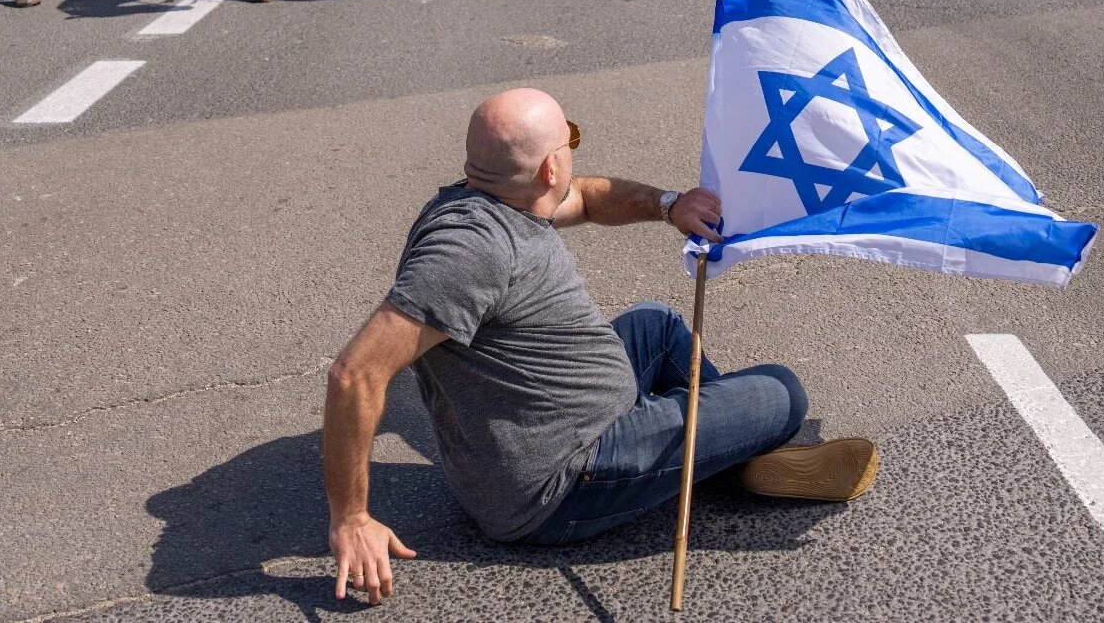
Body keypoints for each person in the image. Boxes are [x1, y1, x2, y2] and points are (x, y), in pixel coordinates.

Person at [322, 88, 876, 603]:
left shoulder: (498, 197)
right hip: (560, 481)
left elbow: (586, 199)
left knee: (656, 325)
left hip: (575, 414)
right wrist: (351, 518)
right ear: (550, 166)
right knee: (781, 393)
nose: (575, 157)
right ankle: (736, 455)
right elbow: (355, 374)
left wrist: (670, 204)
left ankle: (720, 452)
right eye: (573, 141)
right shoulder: (470, 253)